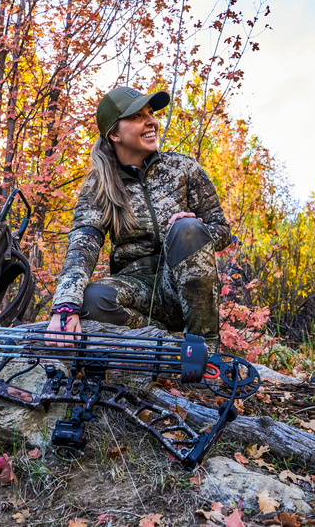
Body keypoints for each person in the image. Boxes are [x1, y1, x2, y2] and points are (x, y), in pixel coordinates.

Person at [45, 86, 231, 348]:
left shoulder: (183, 168)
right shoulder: (99, 185)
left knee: (186, 227)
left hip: (185, 286)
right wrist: (65, 306)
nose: (151, 121)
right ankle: (168, 343)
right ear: (114, 134)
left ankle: (205, 348)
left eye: (151, 113)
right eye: (136, 116)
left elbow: (222, 230)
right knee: (92, 300)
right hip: (137, 289)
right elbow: (82, 245)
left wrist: (194, 232)